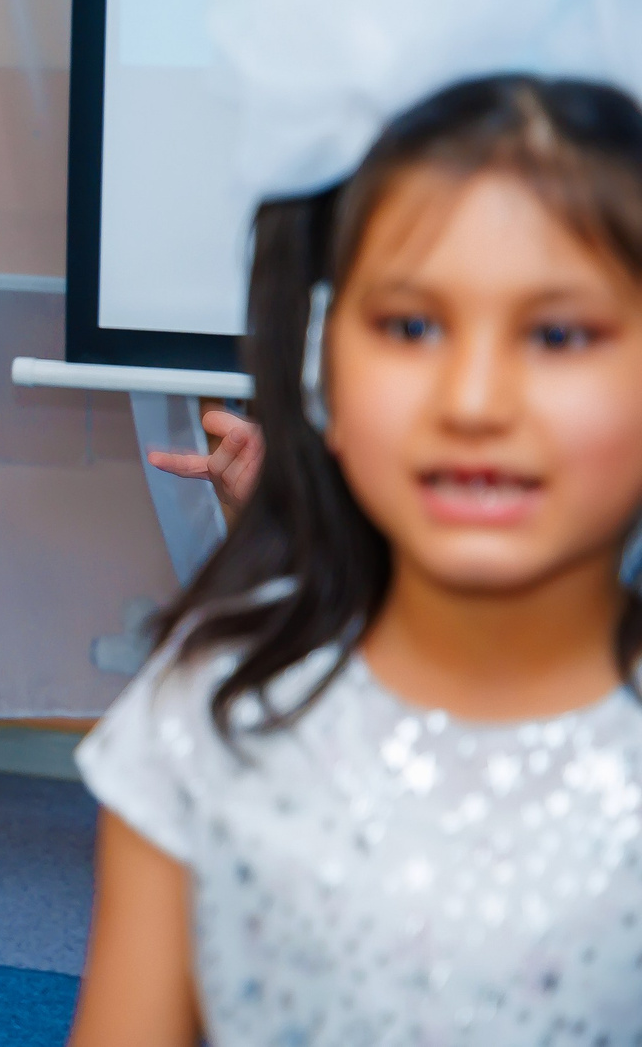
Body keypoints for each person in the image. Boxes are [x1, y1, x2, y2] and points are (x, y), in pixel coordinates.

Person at [68, 74, 642, 1043]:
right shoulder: (204, 719)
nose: (473, 400)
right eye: (411, 326)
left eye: (557, 334)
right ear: (320, 368)